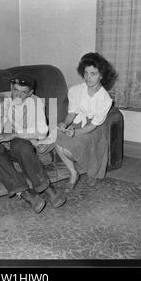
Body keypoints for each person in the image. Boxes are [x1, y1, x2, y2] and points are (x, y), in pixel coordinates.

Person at [0, 73, 67, 214]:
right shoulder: (1, 99)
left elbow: (42, 131)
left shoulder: (36, 102)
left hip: (22, 145)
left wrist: (14, 134)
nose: (18, 95)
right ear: (11, 87)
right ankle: (26, 194)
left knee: (18, 143)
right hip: (2, 144)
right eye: (15, 90)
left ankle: (46, 187)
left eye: (23, 92)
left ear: (30, 93)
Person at [55, 52, 116, 188]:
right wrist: (64, 124)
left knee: (71, 149)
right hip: (77, 122)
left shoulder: (105, 99)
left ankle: (92, 171)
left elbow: (93, 126)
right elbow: (71, 113)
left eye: (93, 74)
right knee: (56, 136)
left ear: (101, 75)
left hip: (95, 128)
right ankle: (73, 173)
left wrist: (76, 133)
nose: (88, 77)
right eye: (86, 73)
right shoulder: (76, 90)